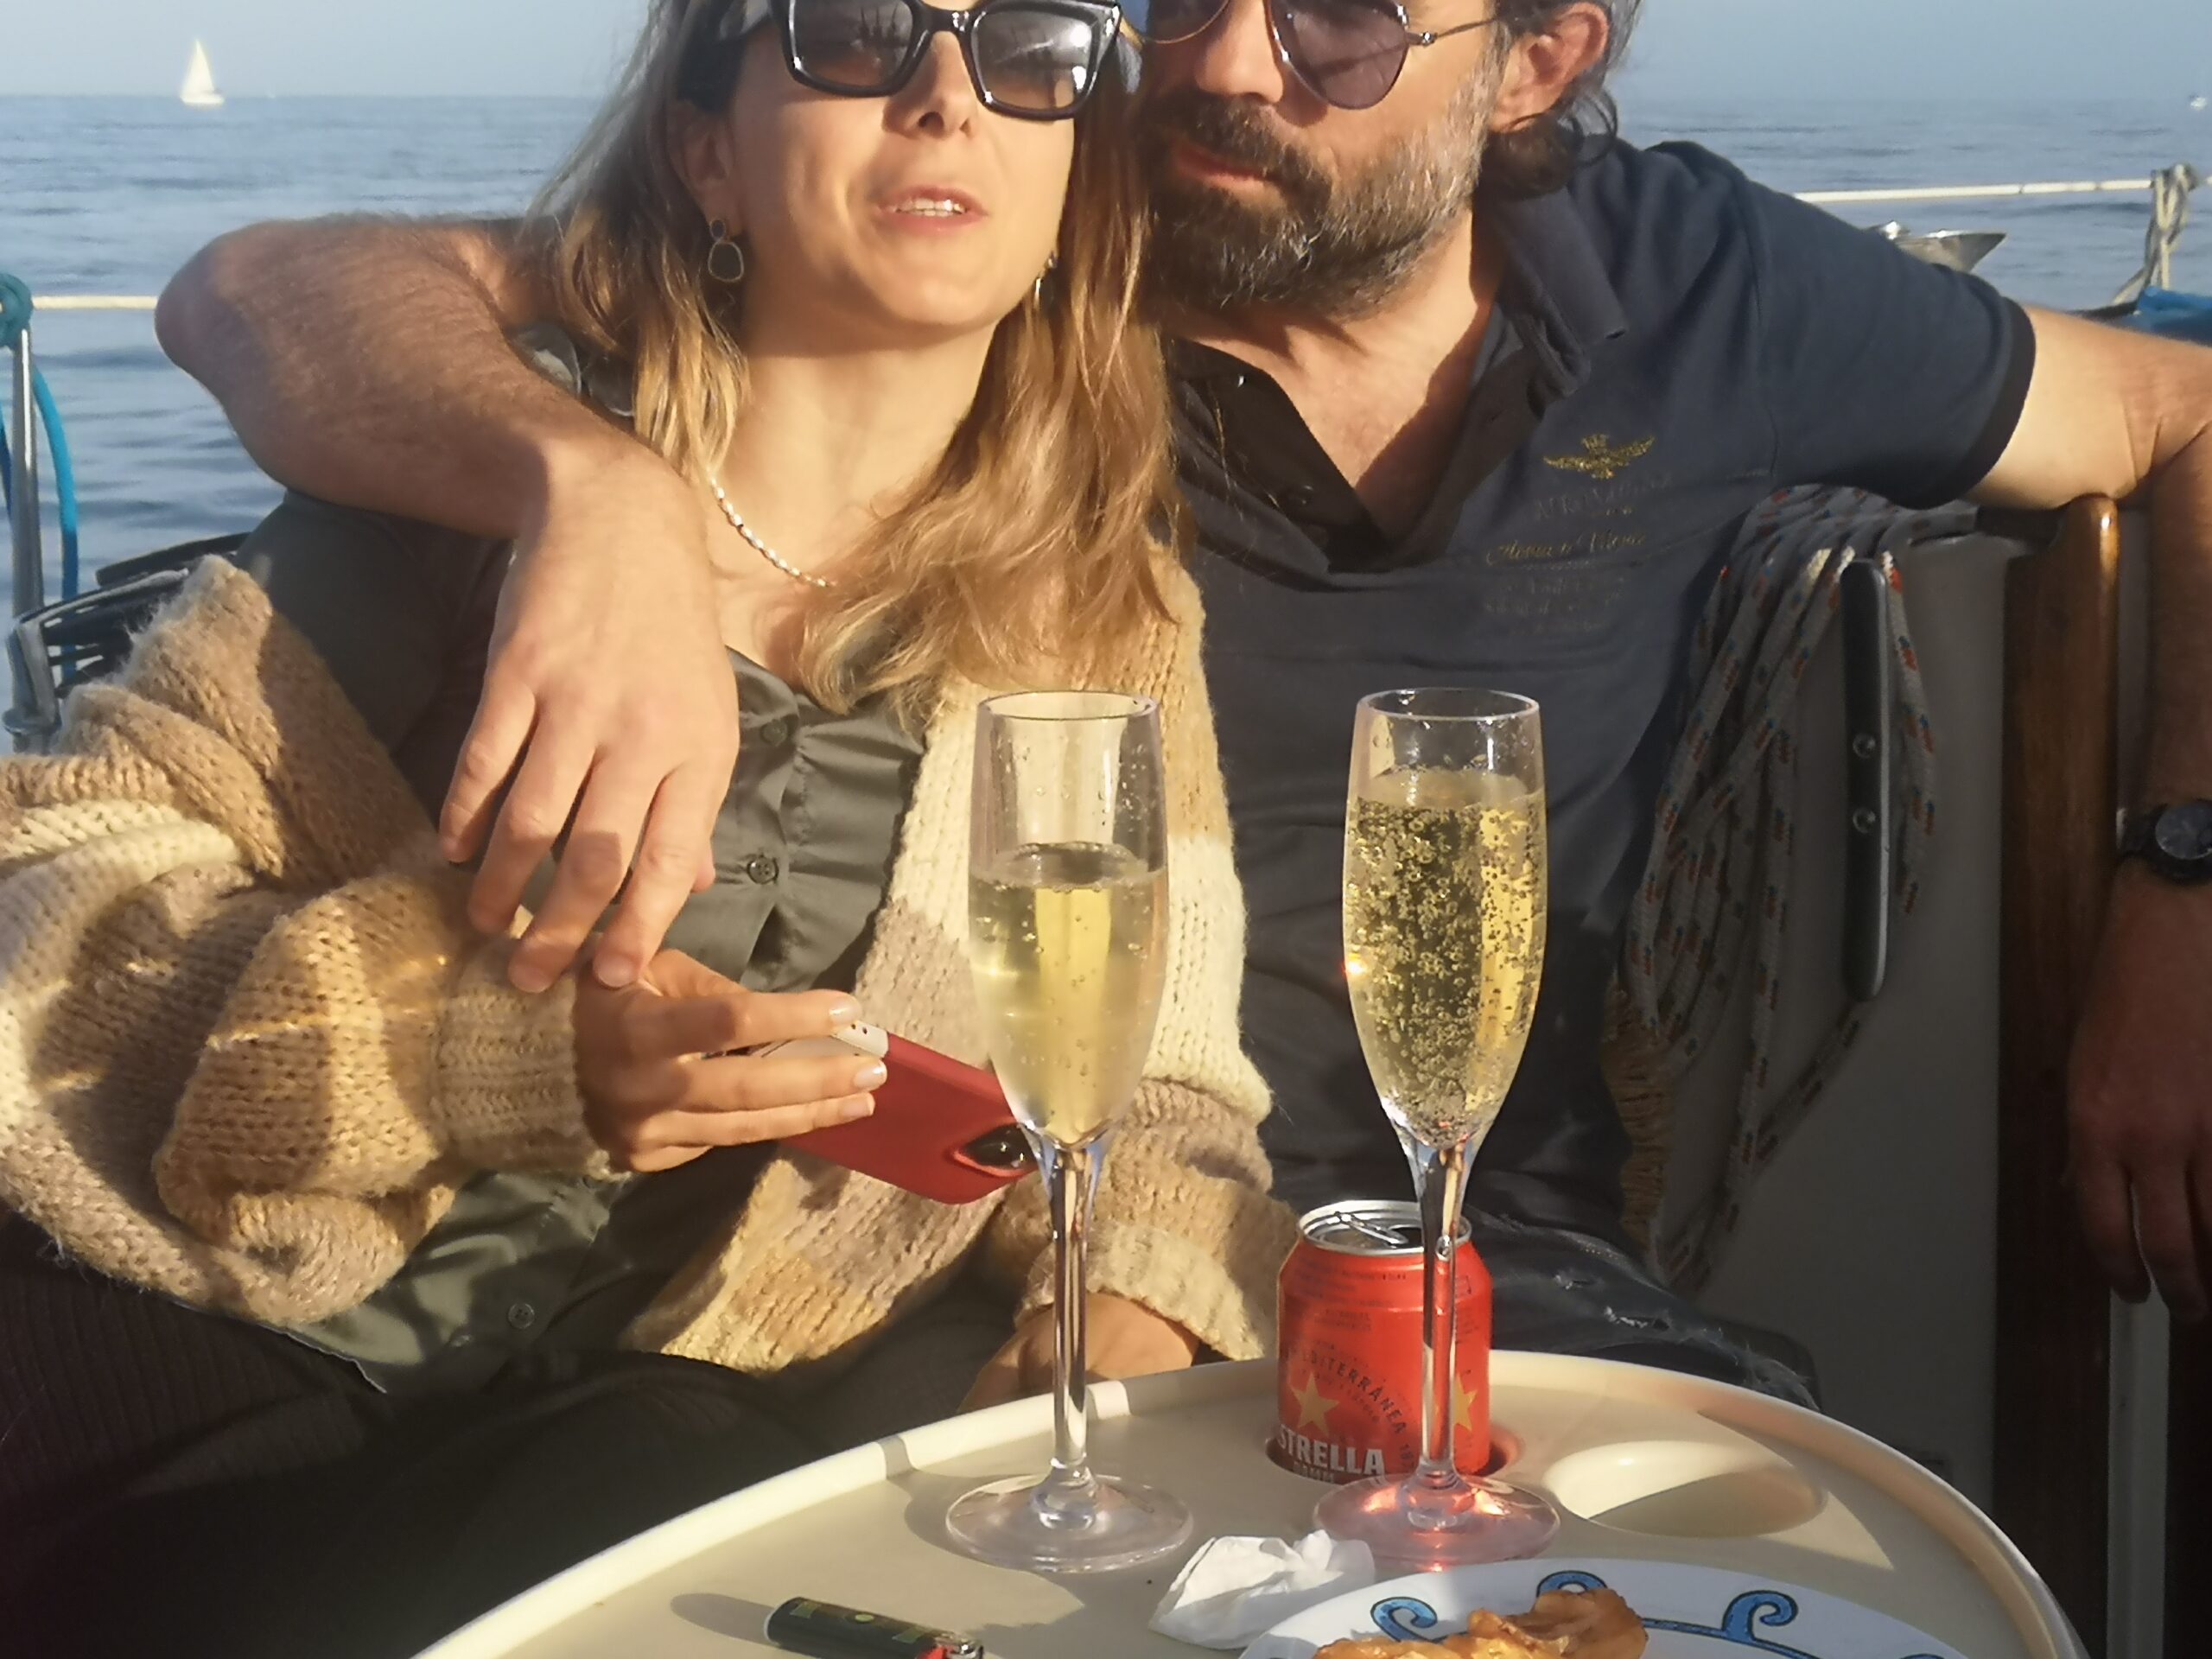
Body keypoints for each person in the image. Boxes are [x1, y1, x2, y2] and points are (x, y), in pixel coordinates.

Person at [156, 3, 2212, 1333]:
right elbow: (271, 287)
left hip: (1462, 1238)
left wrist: (2178, 886)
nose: (1225, 67)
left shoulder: (1697, 285)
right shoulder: (1034, 239)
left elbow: (2180, 418)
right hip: (976, 1234)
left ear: (1533, 59)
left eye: (1333, 20)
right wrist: (580, 487)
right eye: (1177, 6)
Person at [0, 3, 1294, 1654]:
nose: (947, 97)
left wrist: (1129, 1301)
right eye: (856, 33)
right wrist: (485, 1045)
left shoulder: (1107, 626)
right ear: (708, 153)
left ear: (1069, 183)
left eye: (1028, 51)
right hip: (216, 1351)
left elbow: (1164, 1086)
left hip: (677, 1433)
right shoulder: (471, 495)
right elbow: (46, 899)